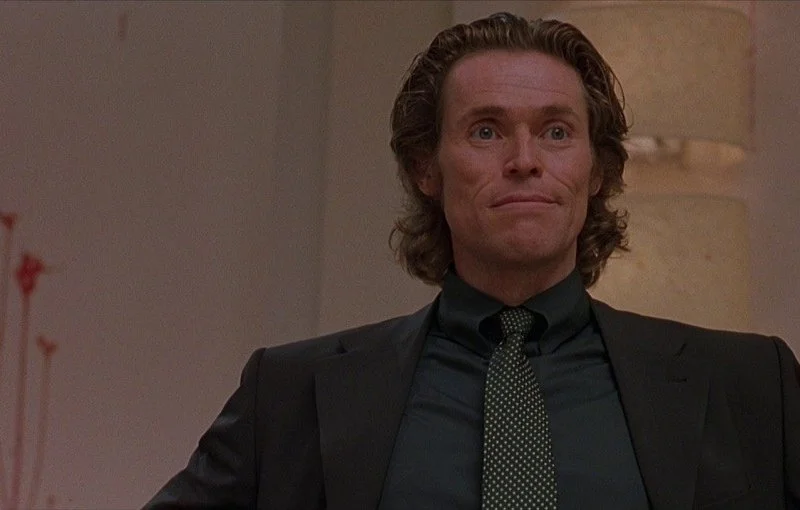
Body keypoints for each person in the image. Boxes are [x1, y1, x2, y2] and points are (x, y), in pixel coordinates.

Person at [144, 12, 800, 510]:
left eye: (556, 131)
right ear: (425, 168)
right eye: (486, 130)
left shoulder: (750, 386)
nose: (524, 160)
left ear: (596, 169)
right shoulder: (291, 394)